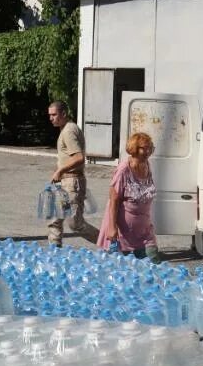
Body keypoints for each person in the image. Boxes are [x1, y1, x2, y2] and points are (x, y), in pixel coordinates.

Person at [46, 101, 99, 247]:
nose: (51, 118)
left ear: (64, 114)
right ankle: (54, 251)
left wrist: (60, 170)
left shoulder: (69, 131)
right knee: (54, 219)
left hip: (72, 183)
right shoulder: (66, 129)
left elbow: (79, 157)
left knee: (75, 224)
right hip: (63, 181)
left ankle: (108, 243)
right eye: (50, 115)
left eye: (54, 114)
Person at [98, 132, 158, 259]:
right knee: (130, 270)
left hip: (145, 231)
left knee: (153, 261)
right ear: (134, 149)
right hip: (124, 234)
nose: (148, 151)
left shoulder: (147, 165)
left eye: (150, 148)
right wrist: (112, 227)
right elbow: (113, 200)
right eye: (144, 148)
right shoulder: (124, 170)